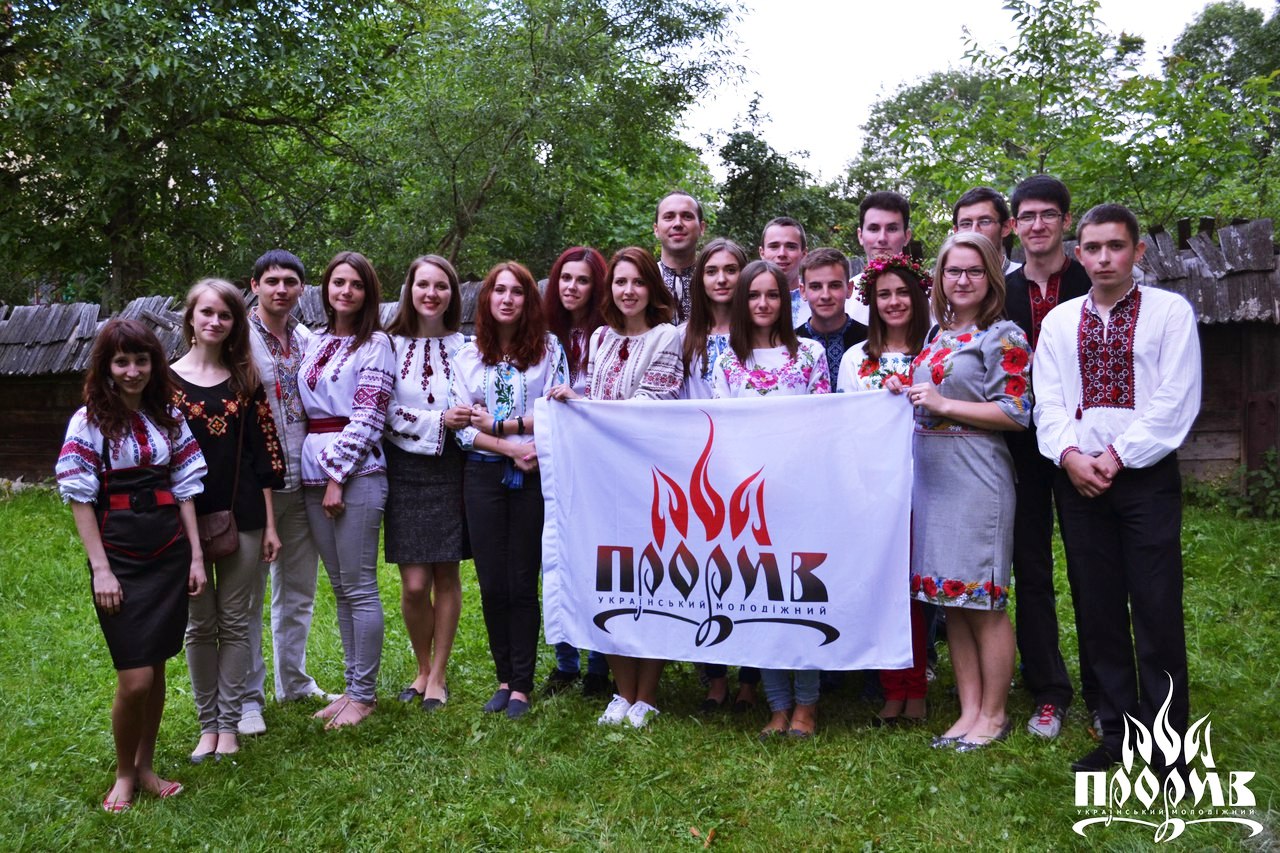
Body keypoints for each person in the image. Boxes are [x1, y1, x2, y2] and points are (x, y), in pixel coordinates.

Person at [1033, 204, 1201, 774]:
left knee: (1156, 607)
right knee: (1097, 607)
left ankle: (1168, 744)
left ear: (1137, 251)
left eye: (1116, 246)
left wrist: (1117, 455)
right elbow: (1048, 401)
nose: (1104, 257)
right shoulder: (1060, 322)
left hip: (1145, 478)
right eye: (1093, 247)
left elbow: (1175, 398)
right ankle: (1118, 733)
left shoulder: (1169, 313)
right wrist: (1070, 456)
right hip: (1079, 480)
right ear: (1078, 254)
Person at [56, 318, 208, 812]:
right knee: (135, 677)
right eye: (122, 361)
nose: (133, 371)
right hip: (119, 557)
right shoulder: (88, 421)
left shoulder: (169, 417)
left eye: (141, 360)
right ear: (106, 367)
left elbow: (185, 488)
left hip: (168, 553)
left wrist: (196, 556)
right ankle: (123, 773)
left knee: (157, 666)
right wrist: (101, 569)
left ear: (153, 364)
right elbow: (80, 499)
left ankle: (145, 767)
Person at [906, 232, 1032, 752]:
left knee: (983, 600)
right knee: (952, 599)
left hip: (977, 475)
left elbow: (1015, 412)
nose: (962, 280)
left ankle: (995, 715)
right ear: (940, 278)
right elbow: (929, 393)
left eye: (974, 271)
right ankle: (968, 710)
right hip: (932, 477)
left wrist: (942, 403)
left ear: (991, 277)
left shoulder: (1004, 336)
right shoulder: (937, 332)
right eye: (952, 271)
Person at [550, 247, 683, 728]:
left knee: (650, 583)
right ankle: (622, 692)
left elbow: (652, 402)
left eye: (638, 282)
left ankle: (647, 695)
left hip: (649, 478)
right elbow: (598, 394)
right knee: (611, 582)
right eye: (620, 282)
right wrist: (574, 399)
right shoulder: (601, 337)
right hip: (602, 477)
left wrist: (590, 409)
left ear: (652, 288)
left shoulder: (667, 336)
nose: (628, 291)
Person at [710, 259, 830, 739]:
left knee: (801, 598)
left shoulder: (810, 354)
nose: (763, 304)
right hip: (748, 500)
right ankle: (778, 705)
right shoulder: (727, 362)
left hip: (800, 493)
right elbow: (721, 433)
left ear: (786, 300)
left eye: (772, 295)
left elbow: (825, 424)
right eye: (754, 295)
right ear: (742, 301)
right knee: (760, 597)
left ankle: (807, 705)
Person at [172, 279, 285, 762]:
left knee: (237, 623)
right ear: (191, 317)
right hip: (183, 520)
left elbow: (264, 456)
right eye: (207, 312)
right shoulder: (163, 383)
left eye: (225, 315)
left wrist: (272, 525)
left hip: (245, 516)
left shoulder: (246, 380)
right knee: (199, 626)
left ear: (235, 323)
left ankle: (228, 724)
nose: (215, 322)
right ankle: (206, 726)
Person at [451, 262, 568, 720]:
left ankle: (522, 685)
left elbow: (554, 412)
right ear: (486, 299)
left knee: (521, 579)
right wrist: (508, 446)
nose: (507, 298)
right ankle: (503, 679)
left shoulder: (548, 350)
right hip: (482, 475)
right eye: (499, 290)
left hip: (533, 473)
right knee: (492, 581)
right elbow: (463, 427)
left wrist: (502, 427)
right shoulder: (467, 356)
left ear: (528, 300)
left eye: (517, 291)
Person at [1004, 174, 1095, 740]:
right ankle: (1048, 690)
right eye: (1028, 216)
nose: (1038, 225)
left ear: (1066, 220)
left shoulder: (1091, 280)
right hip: (1019, 445)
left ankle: (1106, 691)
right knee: (1031, 567)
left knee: (1091, 567)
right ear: (1014, 225)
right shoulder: (1002, 289)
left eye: (1048, 215)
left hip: (1083, 443)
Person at [300, 251, 395, 729]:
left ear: (368, 293)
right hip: (312, 474)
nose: (346, 291)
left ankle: (364, 695)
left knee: (359, 586)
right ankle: (351, 687)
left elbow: (370, 415)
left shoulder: (376, 344)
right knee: (340, 587)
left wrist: (337, 477)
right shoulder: (315, 341)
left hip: (356, 474)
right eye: (338, 282)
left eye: (356, 284)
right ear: (327, 288)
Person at [837, 254, 933, 726]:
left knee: (919, 593)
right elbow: (847, 428)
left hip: (932, 483)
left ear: (917, 297)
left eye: (901, 293)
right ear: (871, 303)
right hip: (877, 490)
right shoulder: (856, 359)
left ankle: (918, 687)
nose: (894, 302)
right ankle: (893, 687)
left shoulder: (935, 350)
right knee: (886, 589)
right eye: (884, 295)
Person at [242, 250, 333, 738]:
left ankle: (293, 682)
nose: (281, 289)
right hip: (256, 484)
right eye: (272, 280)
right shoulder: (238, 338)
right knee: (248, 595)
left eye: (291, 281)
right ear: (254, 284)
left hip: (304, 477)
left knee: (297, 590)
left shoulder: (308, 339)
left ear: (302, 288)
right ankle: (247, 697)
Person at [383, 255, 472, 712]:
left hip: (452, 465)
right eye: (423, 285)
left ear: (452, 294)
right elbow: (381, 408)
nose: (431, 294)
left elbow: (475, 399)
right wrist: (438, 420)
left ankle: (437, 674)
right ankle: (420, 666)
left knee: (445, 573)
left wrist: (462, 417)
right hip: (404, 468)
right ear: (409, 290)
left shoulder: (466, 347)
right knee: (415, 583)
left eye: (441, 286)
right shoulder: (388, 345)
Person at [674, 237, 759, 711]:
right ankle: (714, 674)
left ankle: (751, 676)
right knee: (709, 567)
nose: (722, 279)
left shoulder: (760, 332)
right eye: (712, 271)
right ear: (700, 279)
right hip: (701, 468)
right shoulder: (684, 336)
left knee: (749, 566)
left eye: (731, 269)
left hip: (748, 465)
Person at [540, 246, 613, 698]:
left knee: (597, 557)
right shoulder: (545, 333)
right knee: (556, 556)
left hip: (598, 458)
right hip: (552, 456)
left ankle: (600, 665)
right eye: (565, 278)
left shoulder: (607, 335)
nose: (571, 287)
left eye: (582, 280)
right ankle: (565, 661)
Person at [795, 247, 868, 390]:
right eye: (816, 287)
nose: (825, 295)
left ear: (849, 289)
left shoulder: (871, 341)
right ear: (803, 291)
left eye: (834, 286)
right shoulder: (790, 344)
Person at [846, 191, 914, 326]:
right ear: (860, 236)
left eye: (892, 229)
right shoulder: (845, 297)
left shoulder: (929, 297)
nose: (882, 238)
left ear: (906, 236)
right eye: (873, 229)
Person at [653, 191, 706, 324]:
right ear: (656, 229)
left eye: (687, 216)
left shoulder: (717, 280)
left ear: (701, 228)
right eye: (668, 217)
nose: (677, 224)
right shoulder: (644, 280)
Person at [952, 187, 1021, 276]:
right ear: (956, 232)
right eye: (966, 224)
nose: (974, 232)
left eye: (985, 222)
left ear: (1006, 227)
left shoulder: (1026, 279)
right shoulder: (947, 281)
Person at [758, 217, 809, 325]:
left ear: (804, 254)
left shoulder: (818, 303)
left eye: (791, 247)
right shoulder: (745, 304)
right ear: (762, 253)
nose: (782, 254)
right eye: (774, 246)